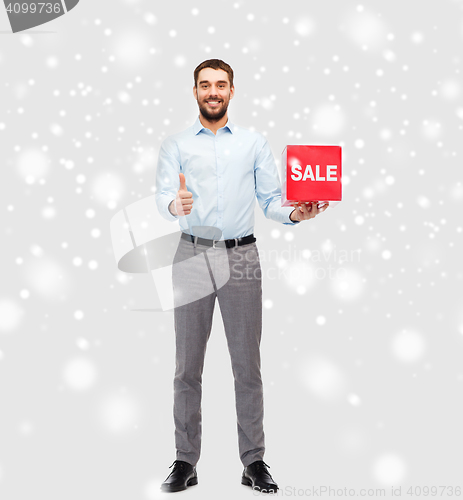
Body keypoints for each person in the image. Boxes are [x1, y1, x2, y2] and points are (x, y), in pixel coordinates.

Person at [155, 59, 328, 493]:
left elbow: (271, 200)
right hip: (192, 254)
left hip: (242, 257)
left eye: (220, 84)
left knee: (246, 365)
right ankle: (184, 461)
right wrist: (177, 206)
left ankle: (254, 462)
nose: (212, 91)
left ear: (232, 91)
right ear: (194, 91)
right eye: (204, 84)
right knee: (186, 367)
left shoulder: (253, 143)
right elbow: (164, 197)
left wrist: (295, 212)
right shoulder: (175, 144)